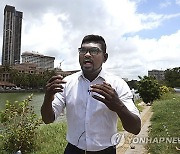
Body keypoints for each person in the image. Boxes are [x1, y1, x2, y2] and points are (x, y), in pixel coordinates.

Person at [41, 34, 141, 154]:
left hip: (106, 151)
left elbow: (135, 128)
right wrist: (47, 98)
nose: (87, 54)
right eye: (82, 50)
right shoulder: (67, 82)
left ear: (105, 57)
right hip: (73, 150)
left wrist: (118, 106)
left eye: (94, 51)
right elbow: (48, 119)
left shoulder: (117, 84)